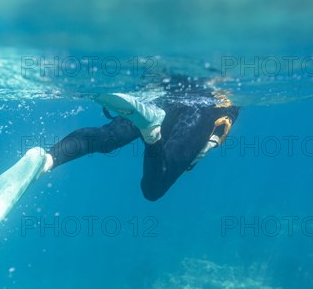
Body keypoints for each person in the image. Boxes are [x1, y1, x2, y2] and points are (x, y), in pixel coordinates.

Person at [40, 75, 240, 201]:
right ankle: (151, 133)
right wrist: (216, 135)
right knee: (154, 188)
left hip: (162, 94)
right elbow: (231, 105)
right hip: (201, 107)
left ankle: (47, 159)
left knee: (107, 137)